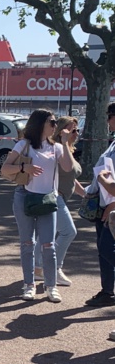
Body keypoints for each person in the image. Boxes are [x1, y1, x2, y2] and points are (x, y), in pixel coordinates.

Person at [1, 109, 74, 303]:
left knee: (48, 246)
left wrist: (65, 142)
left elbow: (68, 167)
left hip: (47, 199)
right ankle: (29, 285)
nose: (55, 125)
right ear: (41, 124)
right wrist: (24, 167)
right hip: (25, 196)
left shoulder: (56, 147)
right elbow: (5, 169)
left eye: (55, 122)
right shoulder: (23, 144)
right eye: (52, 122)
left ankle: (51, 286)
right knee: (27, 244)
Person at [33, 116, 81, 287]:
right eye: (72, 130)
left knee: (47, 233)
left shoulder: (67, 149)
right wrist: (64, 142)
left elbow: (71, 177)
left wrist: (85, 194)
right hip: (54, 197)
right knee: (68, 231)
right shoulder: (56, 149)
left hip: (59, 197)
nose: (76, 133)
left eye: (77, 130)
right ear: (61, 131)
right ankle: (54, 268)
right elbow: (63, 169)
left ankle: (38, 268)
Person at [84, 103, 115, 317]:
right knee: (103, 250)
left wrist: (112, 204)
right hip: (104, 202)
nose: (107, 120)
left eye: (110, 116)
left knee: (106, 248)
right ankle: (107, 291)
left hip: (111, 204)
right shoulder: (112, 143)